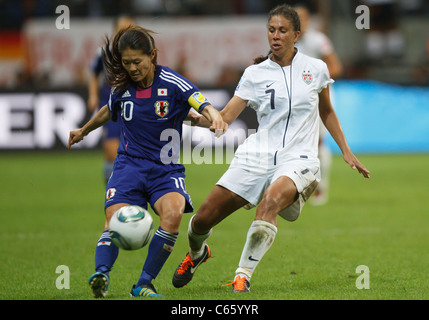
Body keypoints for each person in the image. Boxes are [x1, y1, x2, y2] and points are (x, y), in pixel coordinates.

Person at [172, 4, 370, 293]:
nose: (275, 36)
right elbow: (225, 118)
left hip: (299, 156)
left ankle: (243, 275)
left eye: (282, 31)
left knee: (270, 202)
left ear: (296, 35)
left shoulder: (316, 69)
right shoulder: (254, 73)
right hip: (257, 154)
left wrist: (345, 150)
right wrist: (188, 118)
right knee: (202, 220)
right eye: (271, 30)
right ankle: (197, 254)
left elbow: (327, 111)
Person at [68, 25, 227, 298]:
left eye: (137, 62)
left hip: (165, 171)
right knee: (113, 220)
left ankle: (143, 283)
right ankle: (102, 275)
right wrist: (83, 130)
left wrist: (215, 115)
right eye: (126, 63)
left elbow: (199, 101)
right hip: (129, 166)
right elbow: (108, 111)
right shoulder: (122, 89)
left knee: (174, 212)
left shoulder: (172, 82)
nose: (132, 68)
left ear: (152, 55)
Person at [294, 5, 344, 205]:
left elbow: (336, 67)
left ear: (309, 20)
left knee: (317, 143)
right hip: (295, 101)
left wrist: (314, 82)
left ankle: (320, 189)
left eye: (302, 18)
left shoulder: (318, 40)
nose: (300, 22)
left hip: (318, 98)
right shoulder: (286, 43)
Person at [87, 16, 135, 185]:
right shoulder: (104, 52)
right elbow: (94, 74)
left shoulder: (140, 52)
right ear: (114, 30)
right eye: (121, 28)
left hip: (134, 106)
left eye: (128, 28)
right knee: (111, 153)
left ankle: (129, 190)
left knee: (134, 153)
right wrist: (93, 95)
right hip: (111, 108)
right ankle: (113, 191)